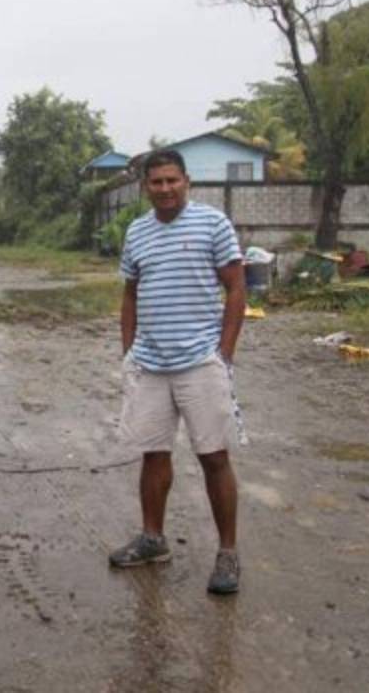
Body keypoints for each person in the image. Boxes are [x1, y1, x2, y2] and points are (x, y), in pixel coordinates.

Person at [109, 149, 247, 595]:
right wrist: (129, 351)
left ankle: (227, 553)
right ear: (145, 187)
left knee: (214, 457)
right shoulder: (137, 231)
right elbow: (131, 293)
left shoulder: (213, 224)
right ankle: (153, 540)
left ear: (187, 181)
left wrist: (224, 353)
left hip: (201, 362)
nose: (165, 188)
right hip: (150, 364)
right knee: (153, 454)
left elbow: (236, 288)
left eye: (173, 180)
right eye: (157, 182)